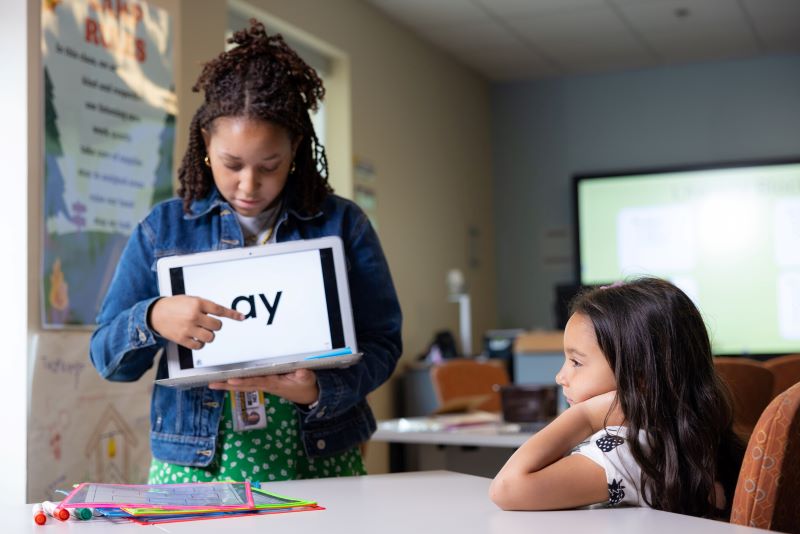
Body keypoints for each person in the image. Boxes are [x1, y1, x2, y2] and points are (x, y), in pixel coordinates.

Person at [89, 20, 402, 484]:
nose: (249, 185)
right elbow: (106, 358)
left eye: (269, 166)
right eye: (232, 165)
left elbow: (383, 342)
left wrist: (320, 388)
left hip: (320, 454)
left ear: (295, 151)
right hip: (195, 463)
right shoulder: (162, 229)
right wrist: (153, 317)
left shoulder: (343, 223)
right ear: (205, 147)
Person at [489, 278, 744, 519]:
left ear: (640, 378)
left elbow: (506, 488)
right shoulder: (670, 440)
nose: (560, 376)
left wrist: (586, 416)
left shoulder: (631, 449)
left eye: (576, 362)